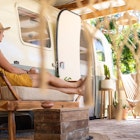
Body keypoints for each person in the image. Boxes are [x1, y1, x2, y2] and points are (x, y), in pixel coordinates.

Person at [0, 22, 85, 96]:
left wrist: (27, 72)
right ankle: (75, 86)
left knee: (46, 85)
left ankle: (77, 89)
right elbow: (11, 69)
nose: (3, 35)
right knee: (47, 76)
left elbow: (8, 68)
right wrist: (27, 72)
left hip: (7, 79)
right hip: (8, 79)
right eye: (2, 33)